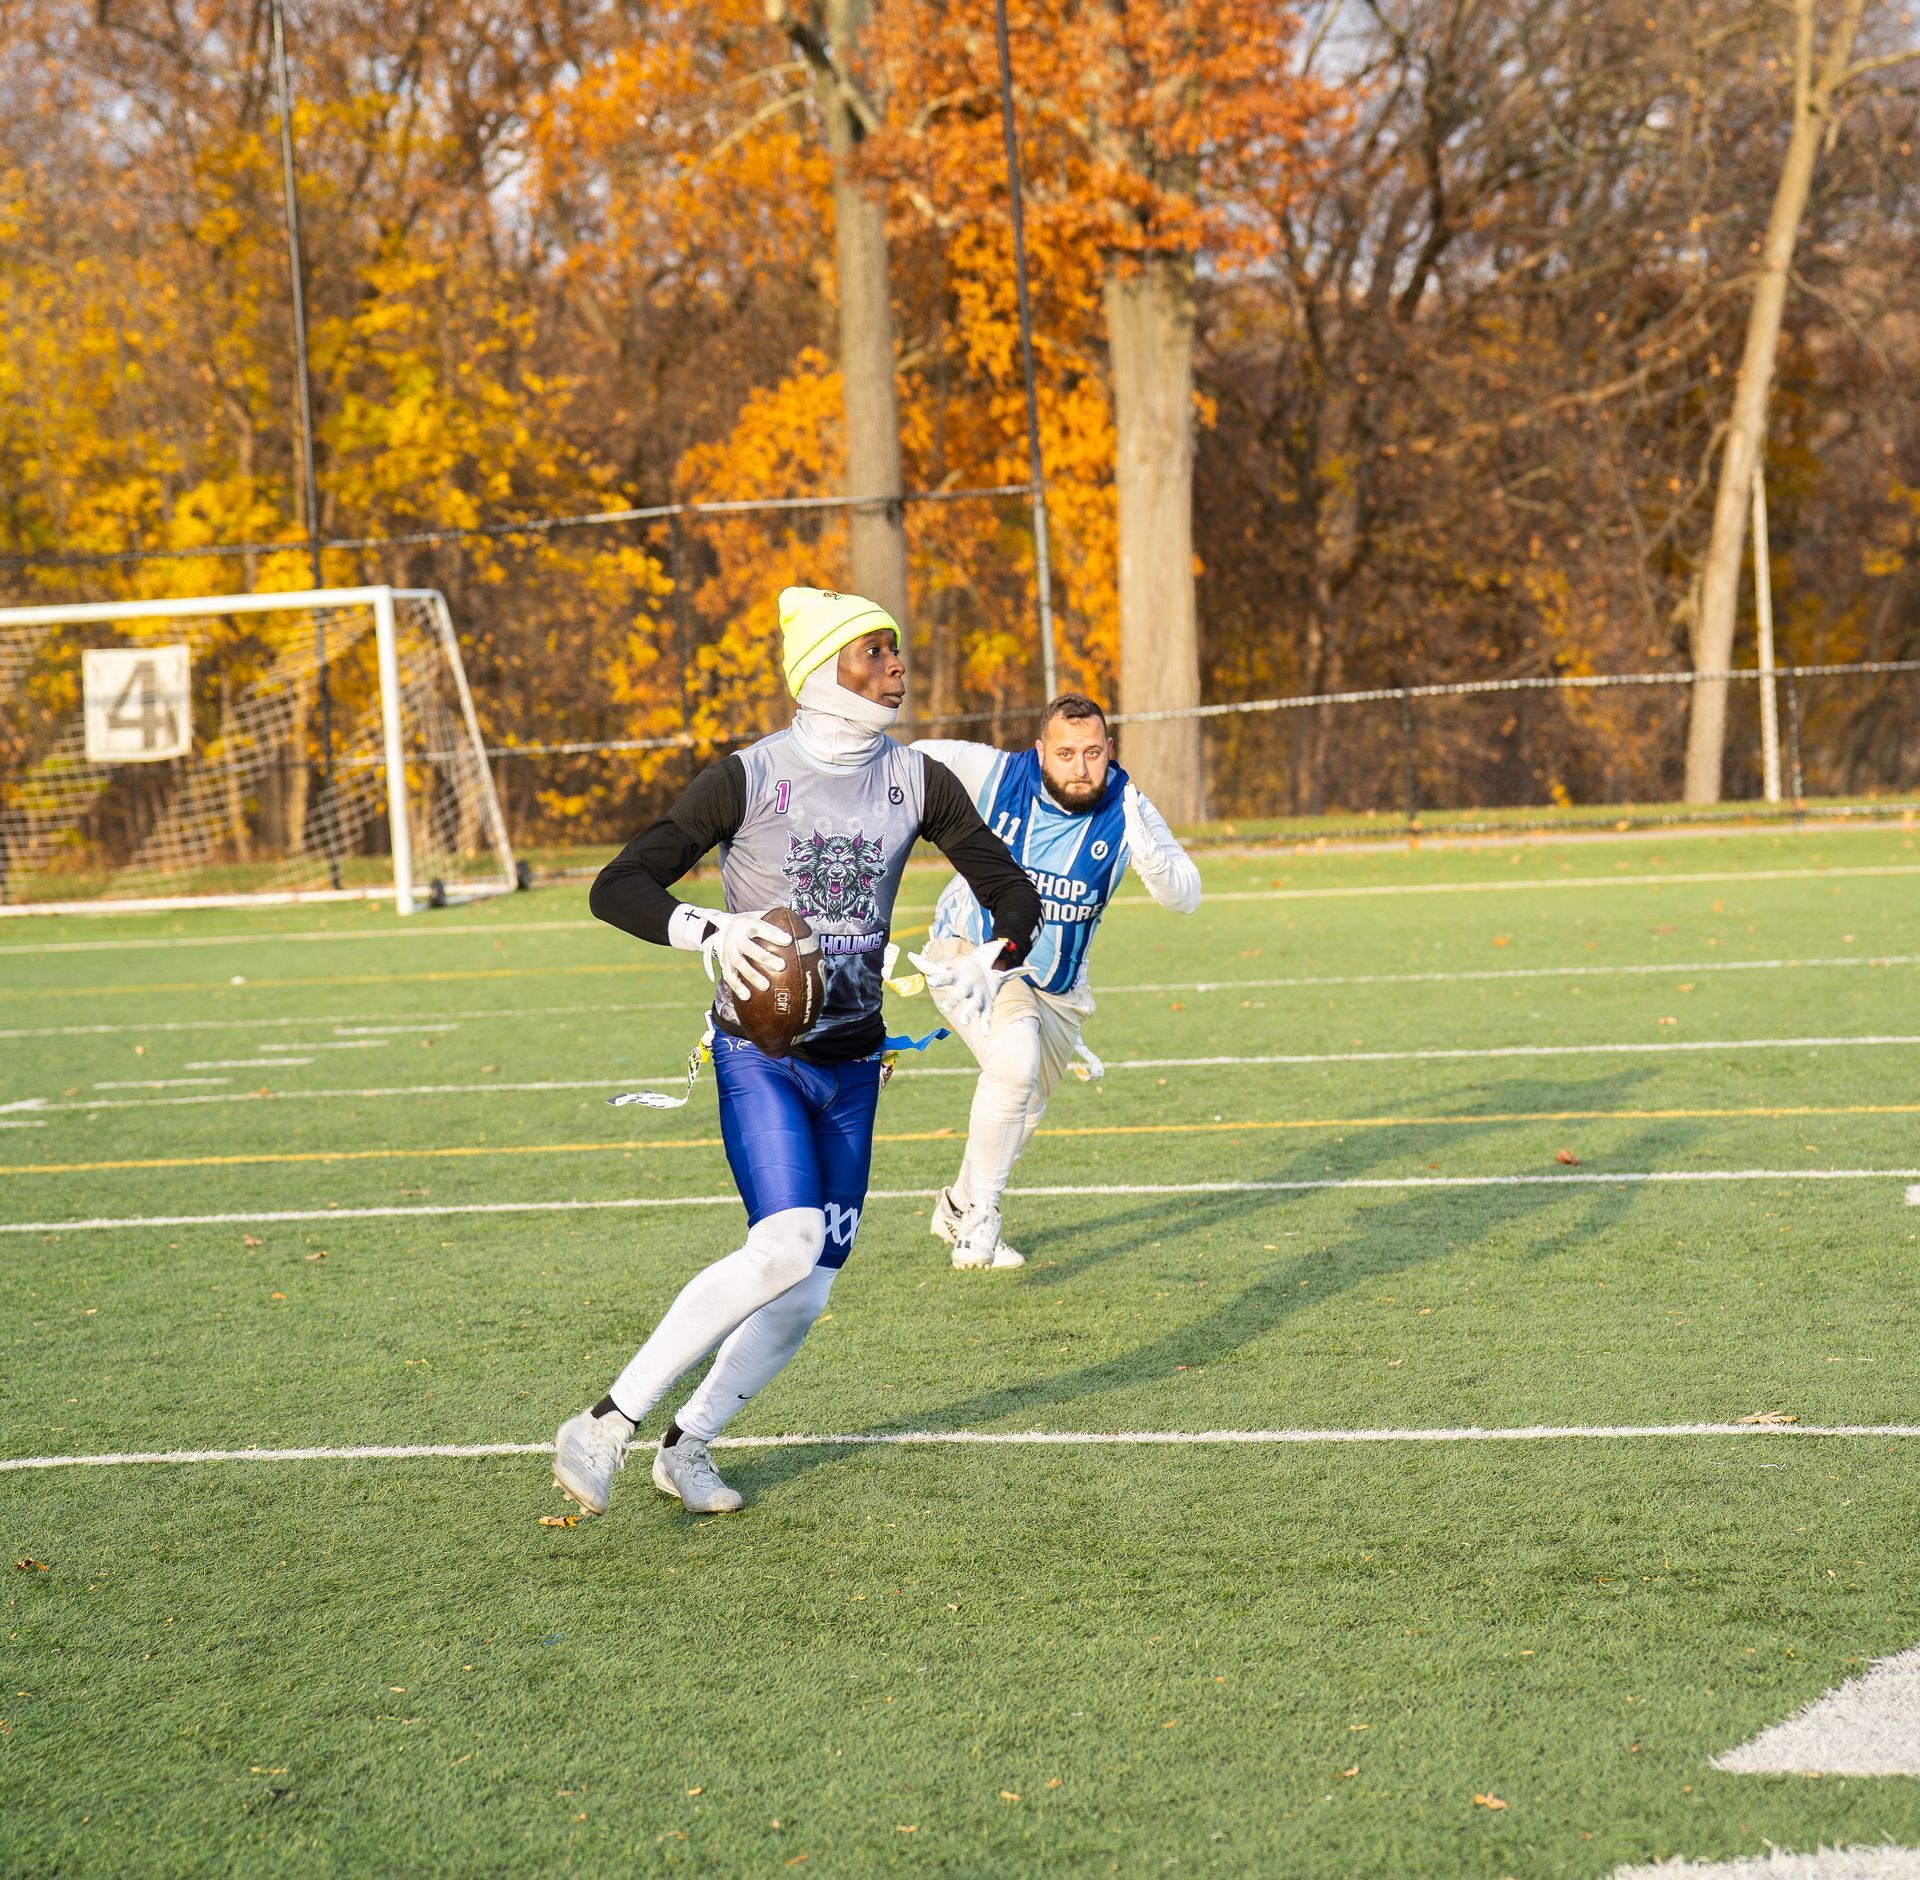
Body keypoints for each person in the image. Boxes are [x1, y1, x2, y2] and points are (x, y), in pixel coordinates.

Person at [552, 587, 1041, 1517]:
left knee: (808, 1291)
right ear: (823, 670)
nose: (897, 668)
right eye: (875, 652)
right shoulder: (748, 776)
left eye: (896, 651)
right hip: (761, 1052)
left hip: (855, 1063)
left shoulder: (917, 778)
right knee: (783, 1244)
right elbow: (618, 886)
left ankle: (687, 1446)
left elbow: (1010, 890)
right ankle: (604, 1424)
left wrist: (993, 951)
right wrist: (707, 930)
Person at [909, 694, 1202, 1270]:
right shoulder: (997, 774)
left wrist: (1152, 858)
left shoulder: (1129, 808)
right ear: (1042, 750)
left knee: (1025, 1106)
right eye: (1065, 752)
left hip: (1059, 987)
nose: (1080, 767)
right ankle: (984, 1214)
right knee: (1014, 1060)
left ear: (1109, 751)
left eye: (1093, 752)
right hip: (974, 955)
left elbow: (1186, 897)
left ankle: (958, 1206)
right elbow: (912, 755)